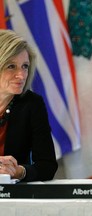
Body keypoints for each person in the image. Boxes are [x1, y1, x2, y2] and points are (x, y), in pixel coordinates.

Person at [0, 29, 58, 182]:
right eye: (11, 66)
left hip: (11, 198)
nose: (21, 75)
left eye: (25, 66)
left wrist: (19, 171)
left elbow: (48, 165)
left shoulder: (32, 104)